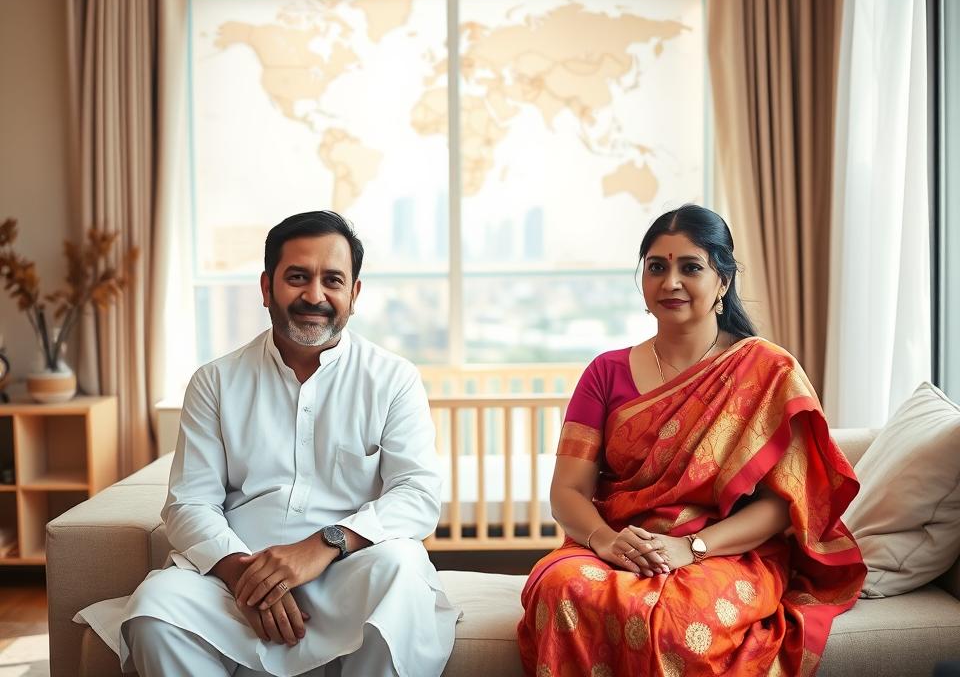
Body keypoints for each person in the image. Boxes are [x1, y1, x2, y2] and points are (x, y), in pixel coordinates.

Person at [76, 211, 458, 677]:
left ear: (354, 295)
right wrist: (246, 578)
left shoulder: (393, 379)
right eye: (298, 277)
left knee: (401, 568)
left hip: (349, 573)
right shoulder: (215, 382)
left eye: (332, 280)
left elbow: (417, 495)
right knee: (155, 610)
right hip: (236, 576)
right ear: (266, 287)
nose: (315, 295)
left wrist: (323, 545)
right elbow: (189, 503)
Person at [517, 205, 865, 677]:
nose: (670, 282)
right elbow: (568, 491)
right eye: (656, 267)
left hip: (727, 550)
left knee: (680, 623)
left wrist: (693, 548)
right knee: (563, 588)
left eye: (691, 267)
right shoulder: (605, 372)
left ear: (722, 281)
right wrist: (607, 541)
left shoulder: (766, 371)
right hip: (620, 542)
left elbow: (783, 504)